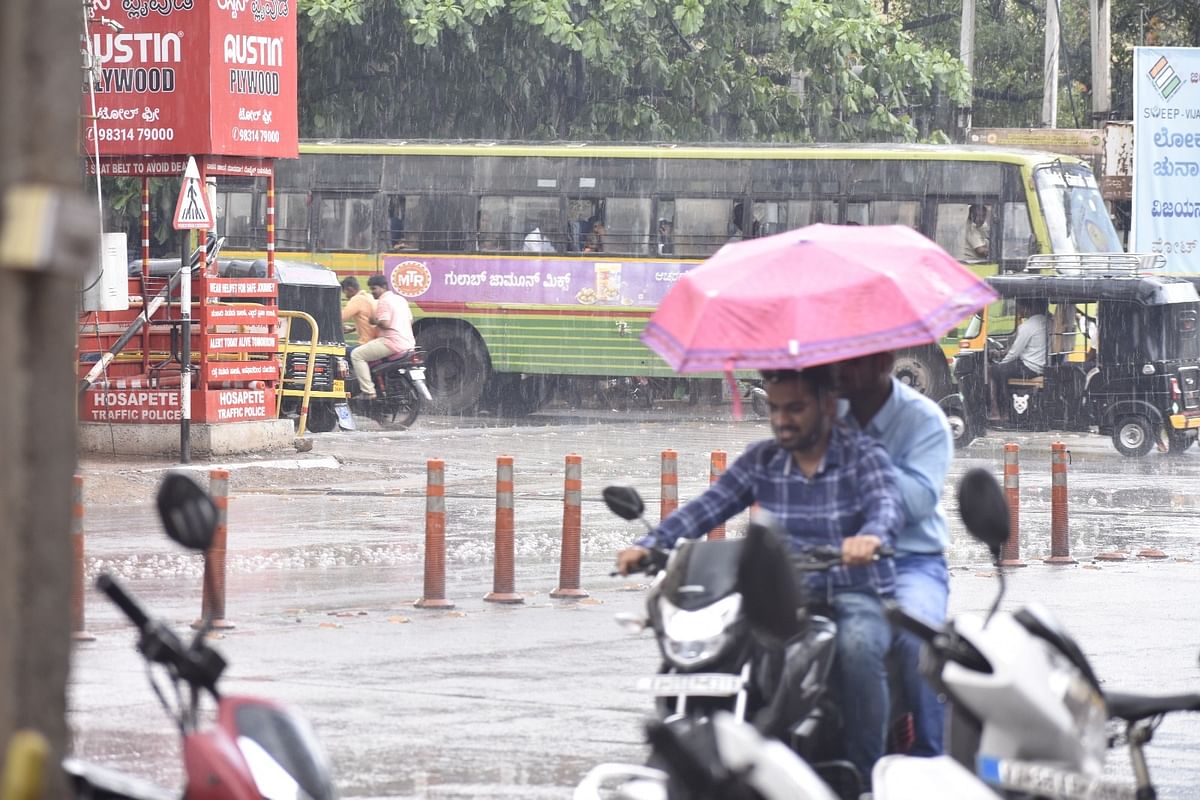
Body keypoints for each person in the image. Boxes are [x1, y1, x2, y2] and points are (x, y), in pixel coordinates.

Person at [615, 366, 902, 783]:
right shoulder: (761, 460)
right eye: (775, 408)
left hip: (849, 591)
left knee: (859, 649)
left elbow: (886, 507)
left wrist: (870, 538)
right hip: (775, 597)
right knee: (720, 651)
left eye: (796, 408)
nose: (783, 419)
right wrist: (652, 545)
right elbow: (709, 506)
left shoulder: (864, 456)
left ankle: (863, 776)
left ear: (826, 405)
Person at [834, 351, 954, 758]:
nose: (844, 372)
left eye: (856, 363)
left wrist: (863, 453)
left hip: (911, 562)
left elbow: (917, 501)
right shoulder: (824, 413)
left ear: (885, 363)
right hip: (832, 560)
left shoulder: (924, 421)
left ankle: (929, 756)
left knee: (914, 641)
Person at [350, 274, 415, 399]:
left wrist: (374, 321)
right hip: (408, 343)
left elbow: (385, 323)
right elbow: (410, 321)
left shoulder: (384, 301)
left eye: (374, 288)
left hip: (391, 342)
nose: (372, 292)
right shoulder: (400, 299)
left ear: (383, 287)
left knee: (357, 355)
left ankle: (369, 392)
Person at [991, 297, 1049, 418]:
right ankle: (1003, 410)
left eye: (1019, 308)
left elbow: (1014, 353)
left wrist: (1002, 364)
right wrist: (1004, 353)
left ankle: (998, 410)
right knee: (1002, 369)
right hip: (1043, 367)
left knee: (994, 370)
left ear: (1027, 308)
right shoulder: (1048, 321)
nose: (1018, 311)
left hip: (1029, 368)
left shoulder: (1028, 326)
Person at [340, 277, 376, 347]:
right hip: (375, 341)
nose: (346, 296)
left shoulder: (357, 299)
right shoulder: (369, 296)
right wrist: (353, 328)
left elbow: (340, 317)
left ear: (350, 289)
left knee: (343, 352)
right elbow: (366, 319)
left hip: (366, 342)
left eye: (345, 293)